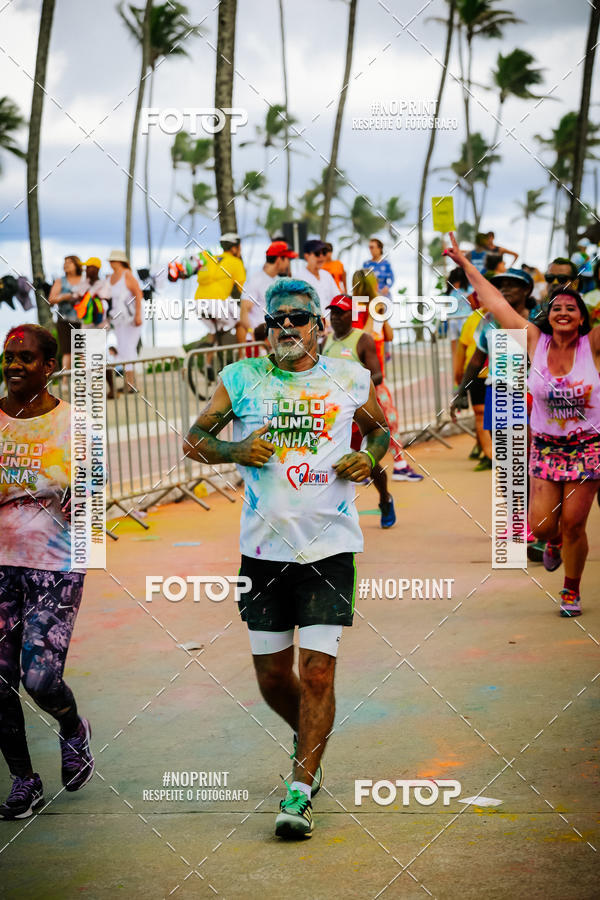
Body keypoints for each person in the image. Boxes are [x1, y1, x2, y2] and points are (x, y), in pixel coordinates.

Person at [183, 279, 390, 839]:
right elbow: (195, 439)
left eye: (299, 318)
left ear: (319, 325)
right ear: (266, 329)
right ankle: (309, 737)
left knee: (316, 672)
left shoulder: (349, 377)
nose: (288, 327)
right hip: (262, 553)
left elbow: (378, 432)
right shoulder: (241, 378)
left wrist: (367, 460)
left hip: (331, 546)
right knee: (274, 677)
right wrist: (232, 449)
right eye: (277, 320)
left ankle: (301, 788)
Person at [447, 233, 600, 617]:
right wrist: (467, 265)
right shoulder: (534, 340)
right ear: (548, 315)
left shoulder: (593, 346)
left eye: (571, 308)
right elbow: (496, 302)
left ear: (582, 318)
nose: (563, 312)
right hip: (546, 446)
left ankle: (571, 588)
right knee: (544, 526)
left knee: (575, 524)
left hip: (588, 446)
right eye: (556, 307)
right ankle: (552, 543)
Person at [0, 324, 94, 820]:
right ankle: (24, 780)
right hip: (0, 565)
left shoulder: (75, 424)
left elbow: (92, 504)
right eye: (8, 357)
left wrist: (84, 505)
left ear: (50, 366)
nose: (14, 365)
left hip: (55, 565)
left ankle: (72, 727)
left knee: (39, 678)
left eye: (26, 358)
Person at [322, 294, 396, 528]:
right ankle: (333, 513)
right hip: (331, 414)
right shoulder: (326, 341)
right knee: (330, 461)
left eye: (340, 312)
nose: (335, 317)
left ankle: (385, 498)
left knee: (365, 460)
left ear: (352, 315)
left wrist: (351, 385)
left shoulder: (363, 339)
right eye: (332, 312)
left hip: (358, 412)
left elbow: (378, 375)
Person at [451, 267, 534, 471]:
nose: (505, 289)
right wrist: (461, 391)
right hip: (498, 394)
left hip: (530, 395)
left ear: (526, 290)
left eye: (511, 285)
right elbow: (476, 361)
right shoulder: (488, 321)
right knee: (507, 461)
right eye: (501, 286)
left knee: (528, 456)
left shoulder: (538, 319)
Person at [350, 270, 424, 482]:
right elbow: (361, 338)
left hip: (377, 378)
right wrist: (373, 314)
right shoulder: (355, 311)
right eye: (374, 284)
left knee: (389, 420)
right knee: (358, 427)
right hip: (361, 379)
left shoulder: (376, 309)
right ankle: (359, 467)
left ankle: (398, 465)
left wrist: (381, 315)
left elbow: (389, 335)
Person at [238, 240, 297, 345]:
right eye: (288, 259)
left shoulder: (278, 280)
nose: (289, 263)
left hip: (276, 338)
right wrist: (252, 334)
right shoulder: (256, 280)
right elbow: (244, 311)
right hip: (260, 341)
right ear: (279, 260)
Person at [454, 308, 491, 462]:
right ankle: (490, 455)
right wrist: (459, 380)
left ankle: (487, 450)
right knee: (481, 414)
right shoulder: (476, 318)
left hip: (500, 375)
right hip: (477, 374)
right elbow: (464, 349)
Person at [106, 250, 143, 394]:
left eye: (113, 260)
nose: (111, 263)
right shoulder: (110, 278)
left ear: (120, 262)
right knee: (122, 348)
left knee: (129, 348)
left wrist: (138, 315)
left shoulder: (127, 274)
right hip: (118, 318)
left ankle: (131, 383)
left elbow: (138, 294)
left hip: (131, 317)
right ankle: (128, 382)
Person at [48, 256, 87, 370]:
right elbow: (51, 300)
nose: (66, 265)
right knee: (67, 351)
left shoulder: (85, 280)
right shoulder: (60, 281)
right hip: (64, 320)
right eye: (65, 263)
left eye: (69, 263)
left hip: (83, 321)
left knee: (82, 351)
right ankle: (65, 379)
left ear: (77, 265)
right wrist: (65, 297)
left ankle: (84, 377)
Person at [299, 239, 339, 311]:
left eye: (324, 253)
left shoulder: (327, 275)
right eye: (317, 253)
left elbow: (337, 298)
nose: (321, 256)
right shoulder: (299, 278)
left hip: (330, 318)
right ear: (306, 256)